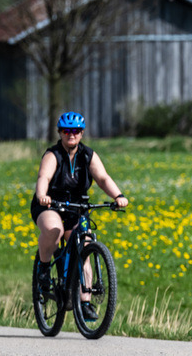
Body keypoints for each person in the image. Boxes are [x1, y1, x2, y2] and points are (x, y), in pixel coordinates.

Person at [31, 111, 128, 320]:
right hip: (51, 204)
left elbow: (102, 178)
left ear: (82, 133)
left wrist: (118, 196)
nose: (71, 134)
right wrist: (42, 195)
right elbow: (43, 177)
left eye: (75, 131)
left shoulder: (87, 155)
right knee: (54, 230)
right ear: (60, 133)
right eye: (66, 131)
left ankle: (84, 303)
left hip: (76, 207)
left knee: (85, 245)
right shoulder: (53, 155)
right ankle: (44, 268)